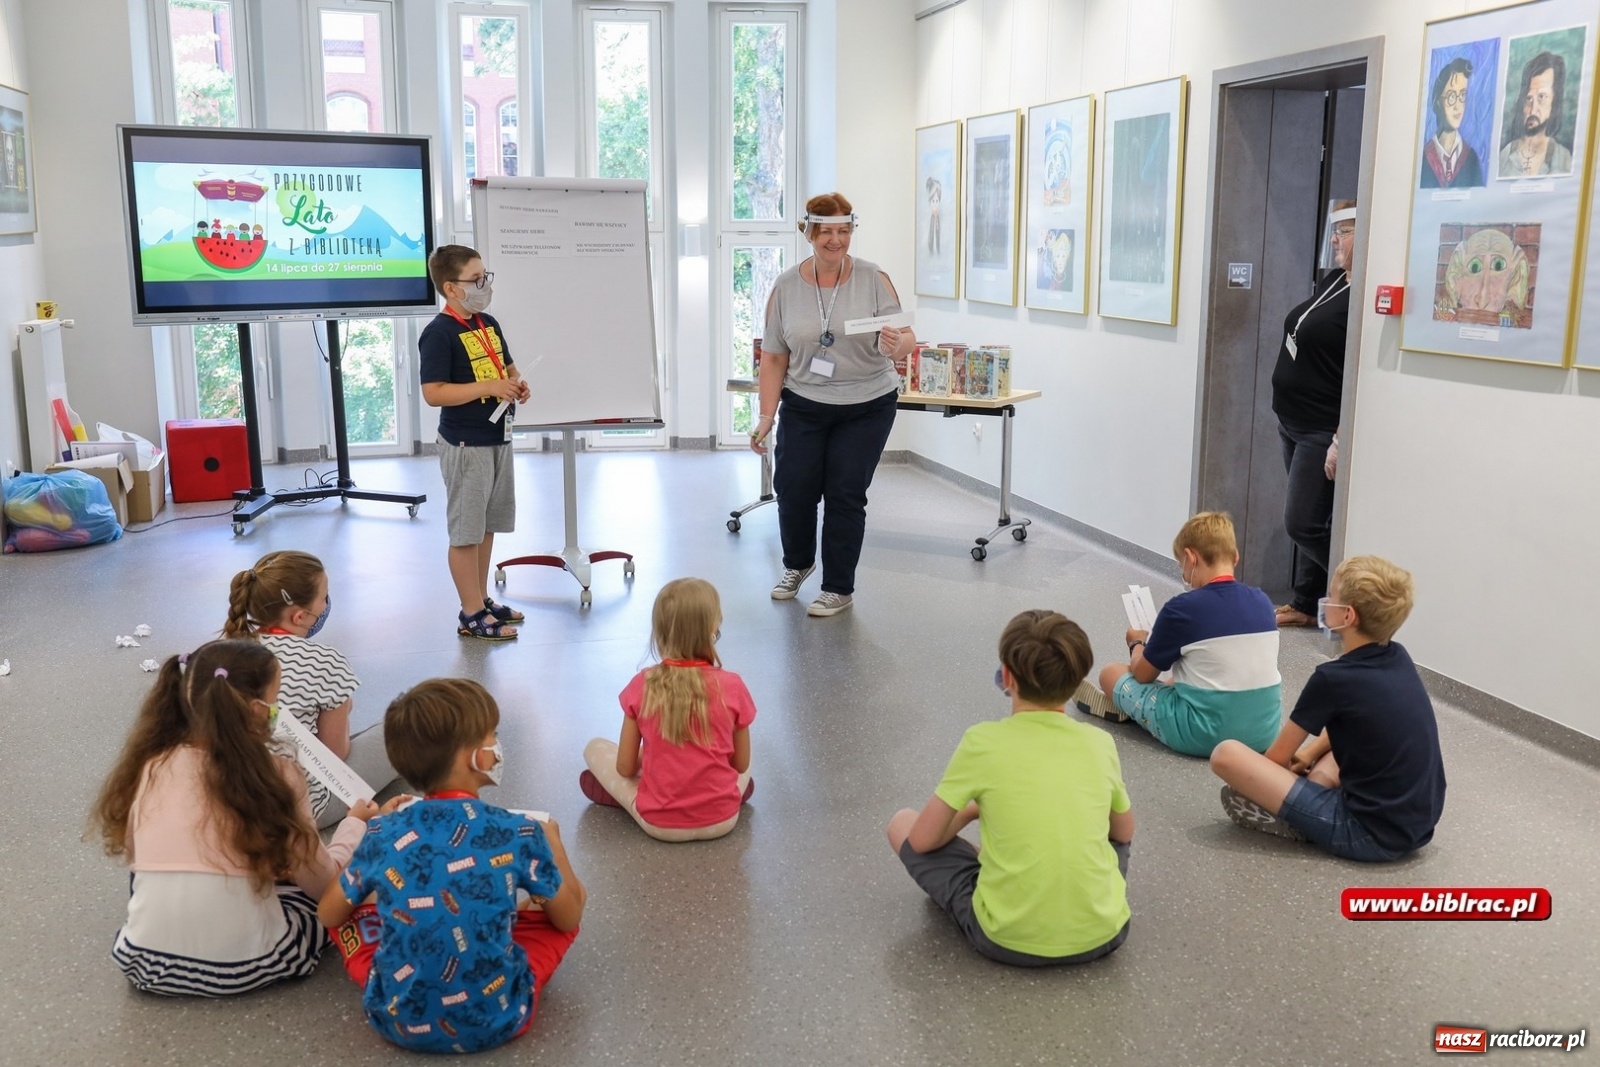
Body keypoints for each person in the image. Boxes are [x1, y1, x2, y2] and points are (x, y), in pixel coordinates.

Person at [89, 639, 389, 997]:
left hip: (145, 964)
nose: (277, 711)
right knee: (334, 897)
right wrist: (354, 826)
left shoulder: (150, 765)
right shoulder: (275, 771)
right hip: (249, 965)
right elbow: (322, 883)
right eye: (275, 701)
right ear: (255, 709)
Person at [320, 678, 586, 1054]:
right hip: (501, 1016)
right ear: (473, 757)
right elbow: (569, 918)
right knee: (564, 901)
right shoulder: (522, 831)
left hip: (395, 1020)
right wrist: (553, 842)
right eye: (492, 736)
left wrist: (369, 837)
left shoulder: (381, 831)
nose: (497, 746)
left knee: (354, 912)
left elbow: (329, 914)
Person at [887, 610, 1133, 966]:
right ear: (1078, 680)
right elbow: (1124, 833)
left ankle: (1007, 887)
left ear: (1007, 677)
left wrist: (973, 809)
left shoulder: (981, 741)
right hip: (1106, 933)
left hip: (1005, 941)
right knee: (1110, 835)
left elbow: (922, 840)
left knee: (902, 824)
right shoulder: (1100, 742)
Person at [1209, 556, 1446, 862]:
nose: (1325, 601)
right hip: (1417, 827)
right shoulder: (1398, 657)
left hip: (1364, 835)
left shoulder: (1332, 679)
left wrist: (1275, 775)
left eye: (1331, 596)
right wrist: (1307, 755)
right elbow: (1353, 728)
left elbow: (1277, 759)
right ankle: (1314, 794)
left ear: (1348, 616)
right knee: (1341, 745)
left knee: (1226, 754)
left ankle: (1302, 819)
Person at [751, 192, 917, 617]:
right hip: (805, 402)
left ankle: (838, 587)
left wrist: (897, 343)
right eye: (826, 232)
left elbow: (907, 337)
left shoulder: (872, 277)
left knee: (845, 492)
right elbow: (773, 357)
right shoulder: (786, 286)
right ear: (808, 233)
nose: (836, 240)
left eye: (844, 231)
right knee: (794, 488)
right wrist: (767, 416)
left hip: (867, 403)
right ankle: (798, 564)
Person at [1075, 512, 1282, 757]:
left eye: (1180, 565)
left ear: (1190, 557)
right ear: (1235, 557)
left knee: (1111, 672)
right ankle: (1143, 706)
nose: (1183, 575)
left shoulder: (1182, 608)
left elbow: (1142, 674)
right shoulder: (1263, 601)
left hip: (1205, 735)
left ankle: (1135, 710)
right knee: (1185, 672)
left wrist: (1137, 642)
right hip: (1263, 733)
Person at [222, 549, 403, 827]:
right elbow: (334, 754)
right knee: (406, 727)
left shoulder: (219, 656)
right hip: (302, 809)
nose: (326, 604)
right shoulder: (326, 662)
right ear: (300, 617)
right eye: (324, 597)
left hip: (227, 804)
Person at [579, 578, 756, 841]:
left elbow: (625, 767)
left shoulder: (642, 685)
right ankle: (722, 792)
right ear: (713, 627)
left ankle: (626, 795)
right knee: (746, 762)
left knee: (594, 747)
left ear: (659, 631)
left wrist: (646, 755)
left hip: (659, 824)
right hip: (723, 819)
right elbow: (740, 763)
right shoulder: (733, 685)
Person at [420, 244, 532, 642]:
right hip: (465, 443)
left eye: (486, 277)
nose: (485, 285)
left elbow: (508, 367)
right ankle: (470, 614)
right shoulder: (438, 333)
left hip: (497, 438)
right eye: (476, 279)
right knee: (466, 531)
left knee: (486, 526)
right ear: (451, 288)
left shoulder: (487, 323)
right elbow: (433, 393)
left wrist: (516, 384)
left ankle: (481, 599)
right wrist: (487, 386)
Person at [1269, 201, 1354, 628]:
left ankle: (1357, 603)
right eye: (1336, 231)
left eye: (1348, 231)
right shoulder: (1337, 279)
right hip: (1292, 421)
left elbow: (1360, 377)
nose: (1337, 239)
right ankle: (1306, 602)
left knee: (1303, 524)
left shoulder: (1363, 293)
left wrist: (1341, 436)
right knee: (1311, 520)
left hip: (1322, 428)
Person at [1498, 51, 1573, 178]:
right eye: (1529, 99)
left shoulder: (1564, 159)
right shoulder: (1504, 157)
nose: (1533, 110)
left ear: (1554, 102)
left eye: (1541, 97)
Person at [1420, 57, 1484, 188]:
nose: (1457, 106)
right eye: (1451, 96)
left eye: (1462, 96)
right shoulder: (1424, 159)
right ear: (1438, 101)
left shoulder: (1471, 159)